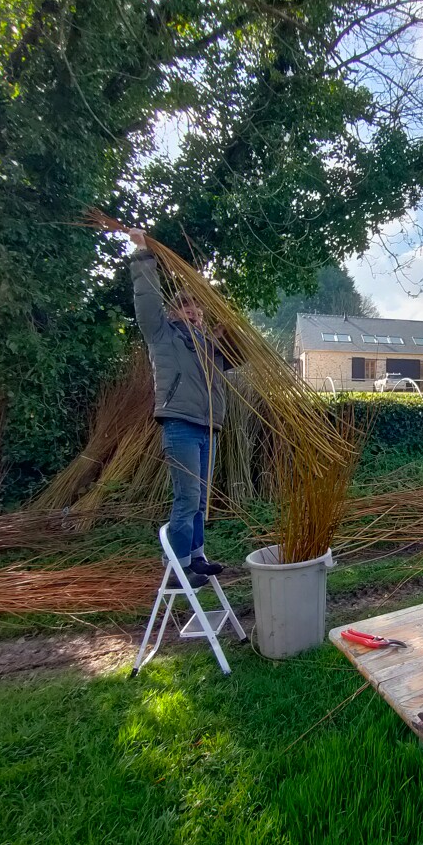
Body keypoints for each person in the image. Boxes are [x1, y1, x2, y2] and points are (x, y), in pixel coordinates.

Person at [128, 228, 238, 584]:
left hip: (209, 426)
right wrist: (144, 255)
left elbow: (242, 356)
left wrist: (229, 329)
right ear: (174, 310)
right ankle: (176, 567)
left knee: (201, 500)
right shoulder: (162, 334)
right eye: (186, 305)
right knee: (187, 496)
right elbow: (146, 301)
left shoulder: (211, 347)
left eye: (198, 307)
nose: (194, 311)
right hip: (180, 423)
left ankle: (196, 557)